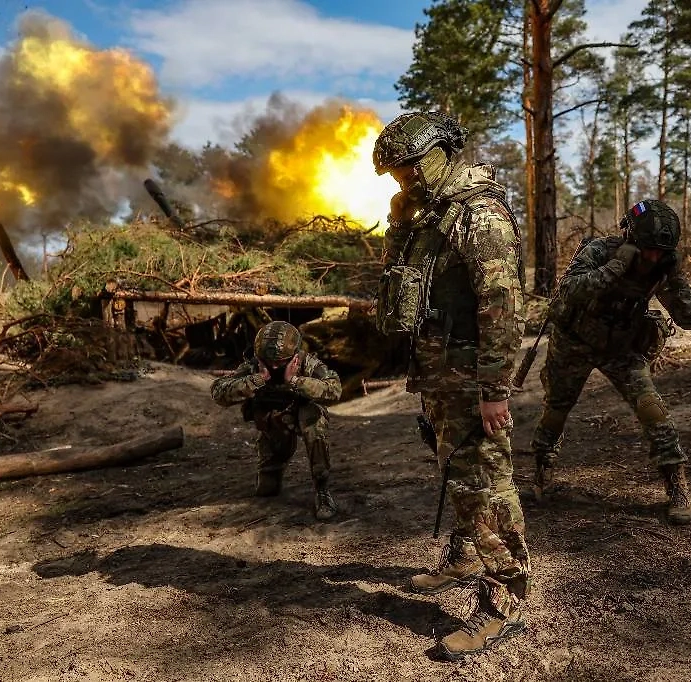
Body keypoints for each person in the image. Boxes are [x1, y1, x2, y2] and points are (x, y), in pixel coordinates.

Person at [373, 111, 529, 661]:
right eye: (397, 175)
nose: (404, 180)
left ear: (439, 155)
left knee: (486, 480)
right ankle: (466, 558)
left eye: (409, 170)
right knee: (459, 473)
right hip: (443, 373)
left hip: (471, 376)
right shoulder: (429, 218)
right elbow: (399, 286)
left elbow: (503, 308)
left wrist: (495, 388)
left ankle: (504, 599)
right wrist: (398, 220)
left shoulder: (478, 216)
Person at [530, 199, 691, 524]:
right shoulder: (600, 251)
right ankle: (541, 469)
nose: (652, 257)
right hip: (574, 342)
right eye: (647, 249)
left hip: (620, 347)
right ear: (631, 238)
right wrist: (613, 269)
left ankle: (676, 482)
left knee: (652, 409)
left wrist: (675, 279)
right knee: (556, 408)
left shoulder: (661, 267)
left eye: (659, 252)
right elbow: (566, 294)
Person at [210, 321, 342, 520]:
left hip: (302, 416)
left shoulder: (307, 363)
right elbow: (219, 391)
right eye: (268, 361)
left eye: (280, 362)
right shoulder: (255, 365)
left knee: (314, 420)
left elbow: (334, 389)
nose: (273, 366)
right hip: (275, 424)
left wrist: (295, 381)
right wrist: (257, 379)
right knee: (267, 489)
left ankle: (322, 491)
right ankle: (274, 466)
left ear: (294, 356)